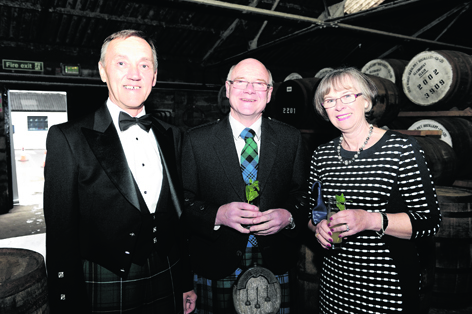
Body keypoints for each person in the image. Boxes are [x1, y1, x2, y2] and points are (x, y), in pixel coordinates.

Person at [43, 29, 196, 314]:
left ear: (154, 76)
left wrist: (186, 279)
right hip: (106, 278)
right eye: (121, 63)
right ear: (103, 72)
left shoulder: (173, 135)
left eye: (144, 65)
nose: (134, 74)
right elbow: (60, 234)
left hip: (167, 270)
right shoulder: (67, 138)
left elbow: (178, 218)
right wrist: (67, 302)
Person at [307, 67, 441, 313]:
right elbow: (313, 212)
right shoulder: (321, 155)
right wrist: (318, 228)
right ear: (323, 108)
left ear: (366, 100)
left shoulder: (401, 149)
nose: (339, 106)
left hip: (388, 288)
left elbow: (429, 221)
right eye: (330, 100)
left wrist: (370, 219)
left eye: (347, 95)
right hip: (334, 286)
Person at [181, 58, 308, 313]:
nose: (250, 90)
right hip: (216, 265)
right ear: (227, 89)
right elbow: (182, 202)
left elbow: (302, 195)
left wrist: (289, 216)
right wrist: (216, 214)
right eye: (241, 82)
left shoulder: (291, 138)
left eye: (259, 84)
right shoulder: (196, 140)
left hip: (276, 265)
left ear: (270, 93)